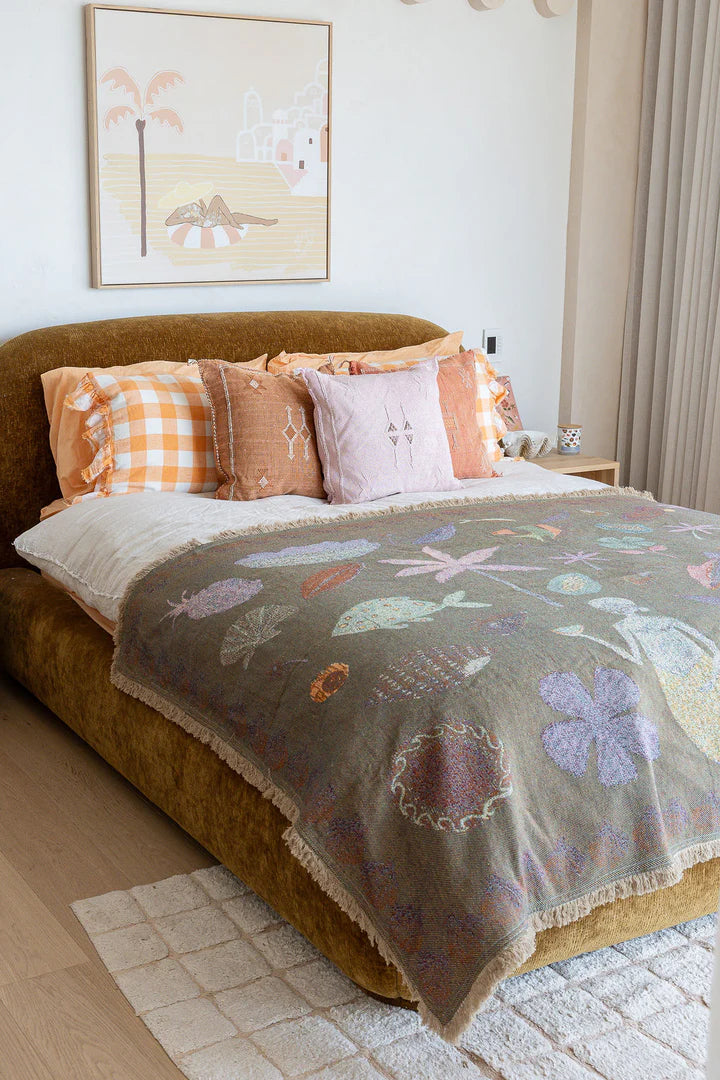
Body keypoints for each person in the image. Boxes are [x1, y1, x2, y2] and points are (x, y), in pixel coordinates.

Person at [165, 194, 277, 229]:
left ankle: (265, 222)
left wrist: (201, 200)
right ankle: (232, 222)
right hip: (206, 222)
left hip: (208, 218)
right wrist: (189, 219)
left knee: (237, 215)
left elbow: (204, 212)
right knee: (217, 199)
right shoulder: (181, 209)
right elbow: (168, 222)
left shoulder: (192, 205)